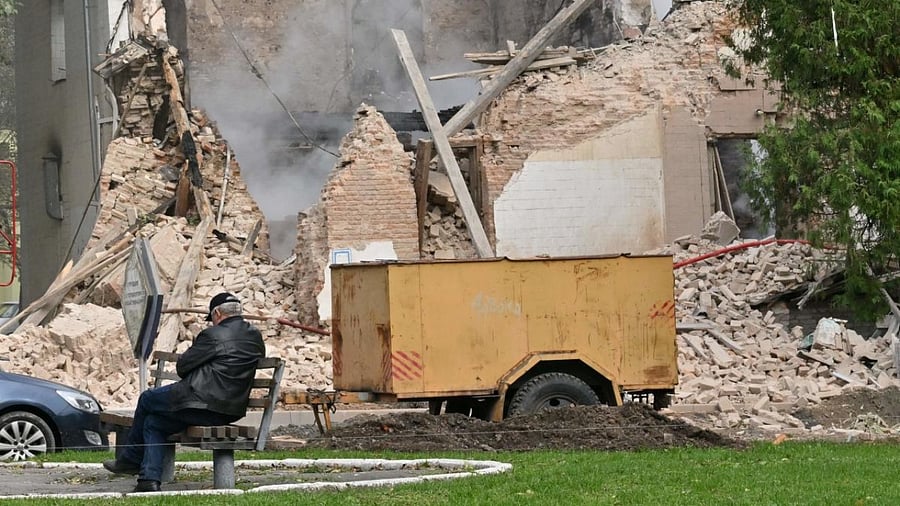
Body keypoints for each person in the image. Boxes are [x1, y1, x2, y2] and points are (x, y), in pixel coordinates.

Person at [103, 292, 265, 492]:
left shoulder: (212, 335)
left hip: (198, 402)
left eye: (212, 318)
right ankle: (148, 481)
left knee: (146, 399)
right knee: (154, 423)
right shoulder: (255, 336)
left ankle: (130, 459)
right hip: (229, 409)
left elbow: (183, 367)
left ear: (217, 314)